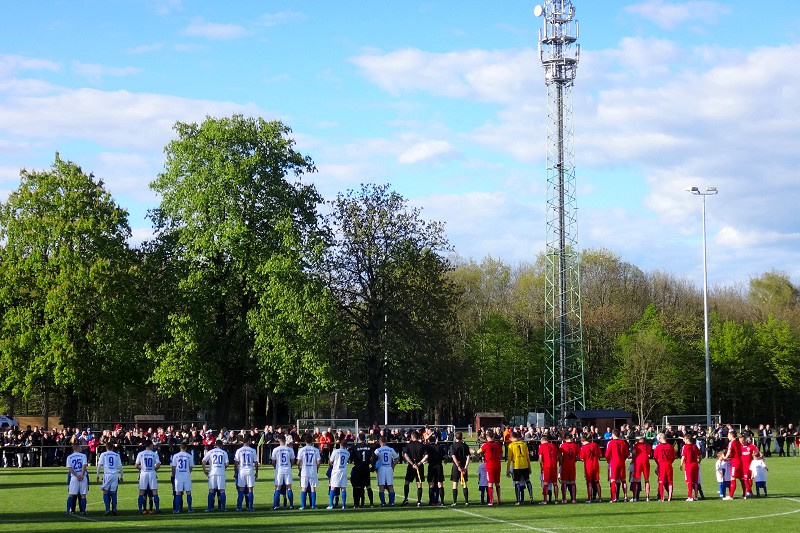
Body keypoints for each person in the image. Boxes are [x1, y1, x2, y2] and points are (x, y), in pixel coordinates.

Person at [476, 431, 503, 505]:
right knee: (497, 483)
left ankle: (491, 501)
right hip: (497, 465)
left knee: (490, 483)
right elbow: (501, 454)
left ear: (487, 437)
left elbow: (478, 452)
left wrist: (473, 451)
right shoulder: (498, 444)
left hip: (490, 466)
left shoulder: (486, 445)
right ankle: (499, 499)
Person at [96, 441, 123, 516]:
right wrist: (121, 476)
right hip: (114, 475)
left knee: (105, 492)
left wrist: (97, 475)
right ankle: (114, 508)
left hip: (107, 475)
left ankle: (107, 509)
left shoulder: (103, 454)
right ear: (113, 447)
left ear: (106, 447)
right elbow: (120, 466)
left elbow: (99, 466)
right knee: (114, 492)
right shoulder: (116, 455)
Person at [202, 439, 229, 512]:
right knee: (222, 491)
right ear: (221, 445)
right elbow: (227, 464)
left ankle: (210, 508)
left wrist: (205, 470)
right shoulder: (224, 452)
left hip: (212, 473)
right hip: (221, 473)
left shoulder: (210, 452)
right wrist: (223, 468)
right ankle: (223, 508)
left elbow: (203, 461)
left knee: (211, 490)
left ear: (215, 445)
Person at [135, 439, 161, 514]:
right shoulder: (154, 454)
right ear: (150, 445)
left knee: (141, 492)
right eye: (152, 444)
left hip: (143, 473)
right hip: (152, 473)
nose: (153, 446)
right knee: (154, 491)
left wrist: (141, 469)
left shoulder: (140, 454)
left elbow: (136, 465)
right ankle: (157, 509)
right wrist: (154, 469)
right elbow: (158, 464)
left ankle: (140, 510)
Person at [401, 431, 427, 507]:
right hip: (419, 466)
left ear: (412, 437)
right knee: (419, 484)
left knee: (407, 482)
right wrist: (419, 463)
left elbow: (405, 455)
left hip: (411, 467)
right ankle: (419, 501)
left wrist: (412, 464)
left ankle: (406, 499)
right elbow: (426, 456)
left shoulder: (409, 445)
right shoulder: (422, 445)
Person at [507, 431, 533, 505]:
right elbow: (528, 457)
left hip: (517, 466)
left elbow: (509, 458)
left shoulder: (511, 446)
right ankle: (531, 498)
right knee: (527, 481)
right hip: (525, 465)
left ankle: (518, 500)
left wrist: (508, 469)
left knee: (517, 482)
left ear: (511, 438)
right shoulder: (524, 444)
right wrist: (529, 467)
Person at [271, 434, 296, 510]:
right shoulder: (290, 449)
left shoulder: (275, 450)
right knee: (289, 487)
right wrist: (290, 466)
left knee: (278, 487)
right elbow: (292, 460)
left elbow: (273, 461)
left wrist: (276, 467)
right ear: (285, 440)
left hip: (279, 470)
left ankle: (276, 506)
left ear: (278, 440)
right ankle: (291, 505)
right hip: (287, 469)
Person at [297, 433, 321, 510]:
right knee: (313, 488)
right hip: (312, 471)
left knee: (303, 488)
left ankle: (303, 506)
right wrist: (317, 468)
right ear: (312, 441)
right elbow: (318, 462)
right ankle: (313, 506)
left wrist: (299, 468)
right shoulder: (316, 450)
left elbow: (298, 462)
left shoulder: (301, 450)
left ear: (305, 441)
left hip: (304, 471)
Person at [604, 429, 630, 503]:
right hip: (621, 462)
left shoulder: (611, 443)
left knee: (613, 480)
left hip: (614, 462)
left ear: (613, 434)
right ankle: (625, 497)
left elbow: (607, 454)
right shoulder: (623, 443)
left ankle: (614, 498)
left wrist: (608, 460)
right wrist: (623, 459)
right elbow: (627, 454)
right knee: (623, 480)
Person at [350, 433, 375, 508]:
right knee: (368, 486)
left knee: (357, 486)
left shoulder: (355, 447)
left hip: (358, 468)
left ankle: (356, 504)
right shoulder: (369, 446)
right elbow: (373, 457)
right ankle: (371, 503)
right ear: (365, 438)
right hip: (366, 468)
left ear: (358, 438)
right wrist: (372, 466)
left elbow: (351, 458)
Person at [234, 436, 259, 511]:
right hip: (250, 471)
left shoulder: (239, 450)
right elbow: (256, 463)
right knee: (250, 489)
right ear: (248, 441)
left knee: (241, 489)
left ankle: (239, 507)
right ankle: (250, 507)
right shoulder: (253, 450)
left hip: (241, 471)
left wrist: (235, 472)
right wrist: (257, 472)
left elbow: (236, 463)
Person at [374, 436, 400, 506]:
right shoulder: (391, 449)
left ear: (380, 442)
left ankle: (383, 503)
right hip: (389, 468)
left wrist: (375, 467)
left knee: (381, 486)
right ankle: (392, 502)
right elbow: (397, 458)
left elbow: (373, 458)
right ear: (386, 442)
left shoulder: (378, 450)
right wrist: (393, 465)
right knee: (390, 486)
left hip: (381, 468)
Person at [66, 442, 88, 516]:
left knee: (71, 495)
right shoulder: (83, 456)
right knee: (83, 495)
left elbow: (69, 468)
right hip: (83, 477)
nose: (81, 448)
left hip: (74, 478)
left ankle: (68, 510)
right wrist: (81, 475)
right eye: (80, 447)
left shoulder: (69, 457)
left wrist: (76, 475)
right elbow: (84, 465)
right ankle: (83, 511)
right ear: (78, 448)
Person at [171, 442, 194, 513]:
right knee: (188, 492)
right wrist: (188, 472)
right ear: (186, 448)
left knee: (178, 492)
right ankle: (189, 509)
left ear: (180, 447)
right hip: (186, 475)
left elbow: (173, 467)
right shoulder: (189, 456)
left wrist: (173, 475)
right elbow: (191, 467)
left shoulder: (175, 456)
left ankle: (177, 509)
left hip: (178, 476)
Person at [449, 431, 471, 506]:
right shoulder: (465, 446)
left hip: (456, 466)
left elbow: (453, 456)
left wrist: (458, 466)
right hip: (463, 465)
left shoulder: (453, 446)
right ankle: (466, 501)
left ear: (456, 437)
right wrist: (465, 467)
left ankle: (455, 501)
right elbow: (468, 457)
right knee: (464, 483)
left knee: (455, 483)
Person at [579, 434, 602, 503]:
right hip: (595, 465)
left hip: (588, 466)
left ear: (582, 441)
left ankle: (589, 498)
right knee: (597, 482)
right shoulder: (595, 445)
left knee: (589, 482)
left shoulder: (583, 447)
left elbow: (581, 458)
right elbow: (600, 455)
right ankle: (600, 498)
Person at [558, 433, 580, 504]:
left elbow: (559, 456)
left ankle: (564, 499)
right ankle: (573, 499)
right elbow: (577, 457)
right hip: (572, 466)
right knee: (572, 482)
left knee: (564, 482)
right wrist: (574, 460)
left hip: (565, 466)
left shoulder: (563, 445)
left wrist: (561, 462)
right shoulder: (575, 445)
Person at [423, 435, 445, 506]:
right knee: (440, 484)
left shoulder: (428, 447)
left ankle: (431, 501)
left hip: (431, 466)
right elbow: (444, 456)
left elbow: (425, 455)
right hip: (439, 466)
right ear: (435, 440)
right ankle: (441, 501)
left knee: (431, 484)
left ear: (429, 440)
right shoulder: (439, 447)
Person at [328, 439, 350, 509]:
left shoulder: (335, 451)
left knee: (333, 487)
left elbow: (331, 461)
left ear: (340, 444)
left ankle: (331, 505)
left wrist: (330, 464)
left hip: (336, 471)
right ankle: (344, 505)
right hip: (343, 471)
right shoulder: (347, 453)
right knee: (343, 488)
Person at [653, 433, 675, 502]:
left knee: (661, 482)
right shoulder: (670, 446)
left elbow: (655, 457)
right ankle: (670, 497)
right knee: (670, 482)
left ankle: (662, 497)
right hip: (668, 465)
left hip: (661, 465)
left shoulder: (658, 447)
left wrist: (658, 464)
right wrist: (670, 462)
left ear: (660, 439)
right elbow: (674, 457)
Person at [680, 434, 701, 501]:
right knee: (695, 481)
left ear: (687, 439)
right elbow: (700, 457)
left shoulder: (685, 447)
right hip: (695, 465)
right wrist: (698, 462)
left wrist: (681, 465)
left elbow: (683, 457)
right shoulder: (695, 446)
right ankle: (696, 496)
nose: (684, 440)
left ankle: (690, 497)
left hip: (689, 465)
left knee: (689, 481)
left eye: (685, 439)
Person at [538, 434, 558, 505]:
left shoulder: (541, 446)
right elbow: (557, 456)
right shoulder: (553, 446)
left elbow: (540, 458)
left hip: (546, 466)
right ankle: (556, 500)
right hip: (554, 466)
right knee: (555, 484)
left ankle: (545, 500)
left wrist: (541, 466)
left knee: (545, 483)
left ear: (542, 441)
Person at [630, 435, 652, 502]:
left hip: (638, 462)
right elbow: (649, 454)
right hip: (646, 461)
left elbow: (634, 453)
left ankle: (634, 497)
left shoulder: (636, 445)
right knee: (647, 480)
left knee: (635, 480)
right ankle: (647, 497)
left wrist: (633, 460)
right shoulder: (648, 445)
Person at [723, 430, 742, 500]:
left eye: (728, 435)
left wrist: (725, 457)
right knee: (741, 478)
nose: (727, 437)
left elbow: (729, 452)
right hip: (739, 461)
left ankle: (730, 496)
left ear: (732, 435)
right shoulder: (738, 442)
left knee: (733, 478)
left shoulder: (732, 442)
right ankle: (744, 493)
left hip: (735, 462)